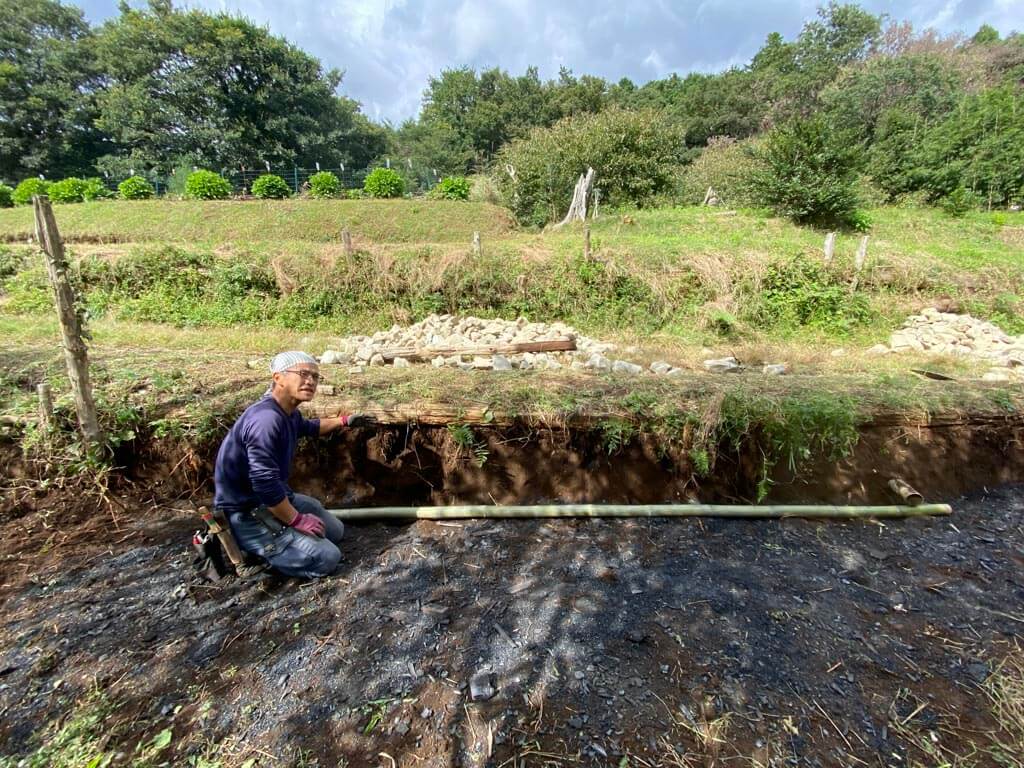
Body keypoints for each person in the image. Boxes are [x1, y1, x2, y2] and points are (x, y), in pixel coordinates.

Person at [213, 351, 371, 579]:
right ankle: (253, 553)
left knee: (335, 531)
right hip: (248, 511)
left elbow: (309, 427)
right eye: (303, 374)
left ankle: (284, 536)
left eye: (315, 376)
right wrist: (297, 520)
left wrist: (343, 421)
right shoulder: (266, 420)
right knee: (326, 558)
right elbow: (264, 483)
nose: (311, 381)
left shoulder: (287, 413)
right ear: (278, 378)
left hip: (271, 499)